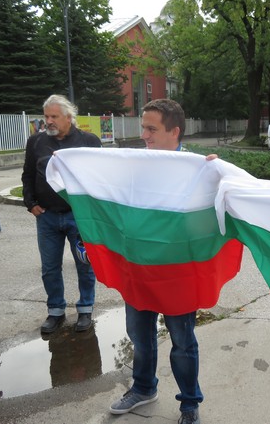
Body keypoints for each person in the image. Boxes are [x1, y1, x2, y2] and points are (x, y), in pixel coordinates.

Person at [109, 99, 203, 424]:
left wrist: (216, 177)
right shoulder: (135, 167)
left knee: (182, 342)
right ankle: (143, 388)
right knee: (140, 337)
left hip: (176, 274)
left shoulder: (197, 169)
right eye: (143, 128)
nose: (144, 135)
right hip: (137, 269)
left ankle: (189, 405)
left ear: (174, 131)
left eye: (152, 129)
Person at [21, 94, 101, 334]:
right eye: (46, 116)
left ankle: (85, 309)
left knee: (85, 265)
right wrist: (30, 202)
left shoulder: (89, 141)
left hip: (79, 217)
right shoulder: (36, 142)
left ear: (69, 117)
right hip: (46, 217)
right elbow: (27, 175)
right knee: (49, 267)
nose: (49, 121)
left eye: (54, 116)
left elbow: (100, 176)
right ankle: (55, 311)